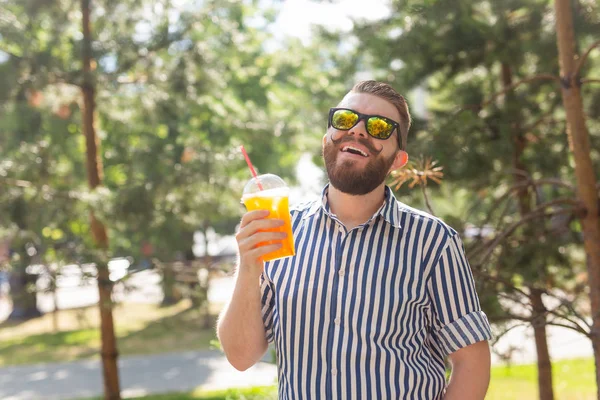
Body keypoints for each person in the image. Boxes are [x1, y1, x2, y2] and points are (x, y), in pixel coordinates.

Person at [217, 80, 492, 399]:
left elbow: (472, 362)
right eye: (346, 119)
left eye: (378, 127)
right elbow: (240, 356)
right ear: (327, 139)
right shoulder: (282, 231)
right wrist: (249, 267)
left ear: (398, 160)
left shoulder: (433, 242)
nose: (359, 131)